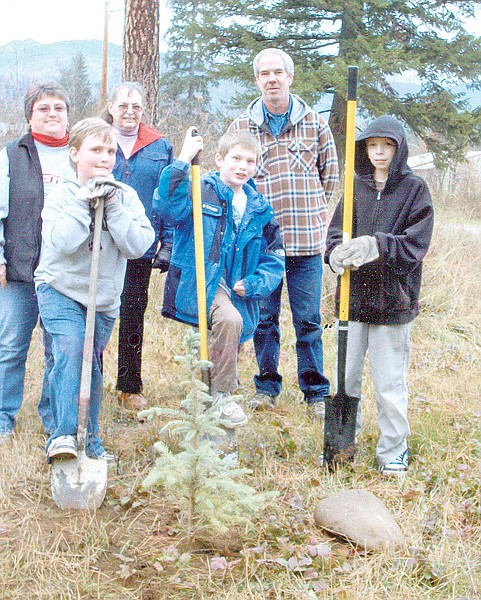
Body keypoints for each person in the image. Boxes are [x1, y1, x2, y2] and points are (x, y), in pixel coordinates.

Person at [34, 117, 155, 462]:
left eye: (110, 151)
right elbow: (63, 242)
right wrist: (81, 203)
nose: (105, 158)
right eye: (96, 150)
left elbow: (139, 246)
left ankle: (89, 441)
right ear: (74, 153)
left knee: (91, 366)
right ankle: (64, 436)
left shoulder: (126, 196)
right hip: (60, 289)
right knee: (73, 349)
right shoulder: (62, 194)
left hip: (102, 299)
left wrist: (113, 207)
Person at [229, 48, 339, 416]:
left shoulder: (314, 124)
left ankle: (315, 392)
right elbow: (230, 179)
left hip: (306, 242)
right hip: (262, 247)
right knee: (264, 320)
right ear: (257, 80)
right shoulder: (241, 127)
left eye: (278, 72)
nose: (272, 79)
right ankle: (266, 387)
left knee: (308, 321)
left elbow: (330, 177)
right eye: (265, 73)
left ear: (290, 78)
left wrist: (310, 211)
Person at [325, 115, 434, 476]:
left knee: (389, 384)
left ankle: (393, 451)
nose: (379, 152)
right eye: (372, 145)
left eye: (387, 146)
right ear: (364, 149)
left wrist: (376, 245)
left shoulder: (415, 190)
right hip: (351, 302)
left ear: (399, 149)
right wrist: (335, 255)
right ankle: (341, 447)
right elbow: (335, 234)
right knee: (344, 380)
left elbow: (416, 245)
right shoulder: (355, 187)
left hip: (392, 304)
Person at [157, 128, 285, 428]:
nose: (242, 166)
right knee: (229, 320)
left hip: (237, 288)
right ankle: (222, 397)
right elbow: (167, 207)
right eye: (236, 158)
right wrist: (183, 159)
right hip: (204, 281)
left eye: (250, 161)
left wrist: (254, 284)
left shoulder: (259, 208)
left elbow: (274, 258)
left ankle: (209, 418)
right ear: (219, 159)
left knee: (226, 343)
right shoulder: (201, 188)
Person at [0, 81, 74, 443]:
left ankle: (52, 415)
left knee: (57, 348)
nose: (52, 114)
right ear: (30, 116)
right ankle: (3, 416)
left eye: (59, 108)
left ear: (68, 114)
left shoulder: (79, 153)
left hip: (64, 273)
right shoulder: (11, 154)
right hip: (21, 270)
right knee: (11, 346)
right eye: (43, 108)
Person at [102, 82, 174, 415]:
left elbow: (170, 196)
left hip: (140, 245)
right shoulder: (97, 140)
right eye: (123, 106)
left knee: (132, 315)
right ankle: (91, 380)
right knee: (97, 312)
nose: (129, 112)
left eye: (136, 106)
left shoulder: (160, 145)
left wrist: (167, 241)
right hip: (101, 244)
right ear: (111, 108)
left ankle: (129, 387)